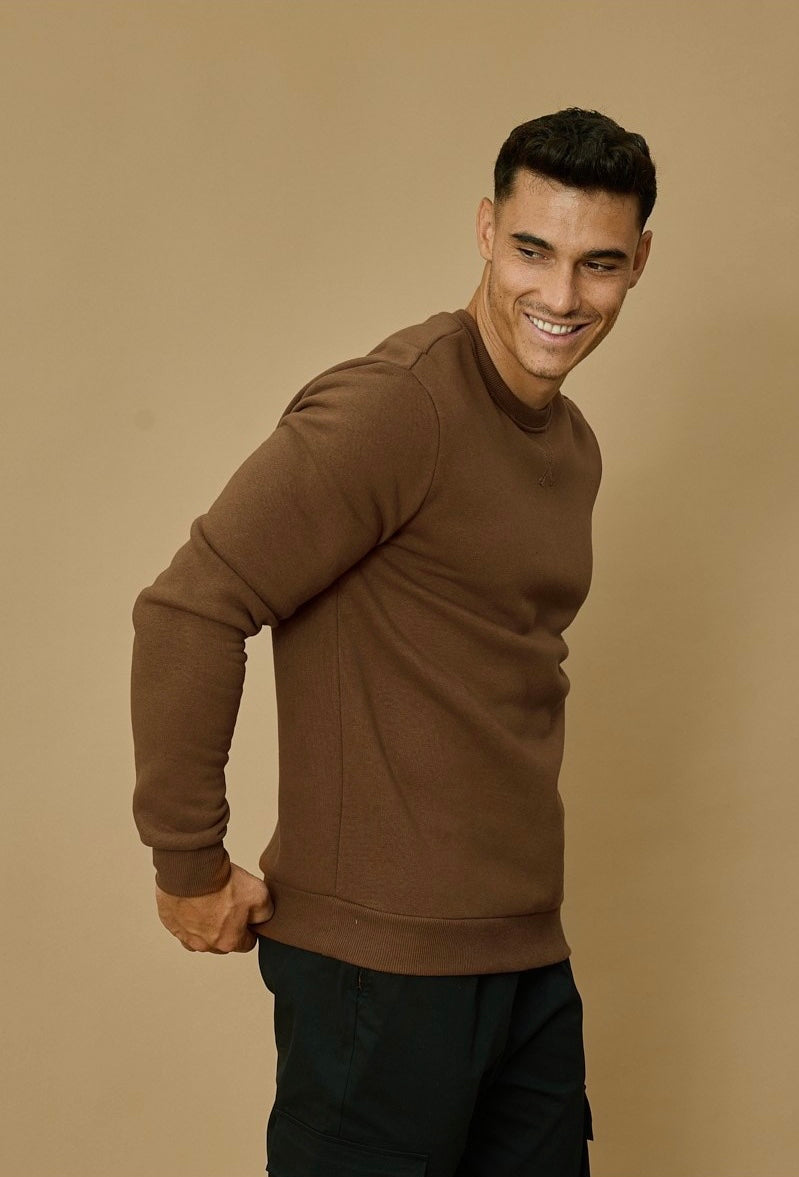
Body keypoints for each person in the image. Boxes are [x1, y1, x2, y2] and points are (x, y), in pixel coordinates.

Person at [131, 106, 655, 1177]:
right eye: (533, 250)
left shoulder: (571, 445)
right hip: (376, 973)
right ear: (485, 231)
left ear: (637, 262)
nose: (561, 296)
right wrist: (187, 860)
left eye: (597, 263)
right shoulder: (397, 408)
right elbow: (191, 605)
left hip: (523, 955)